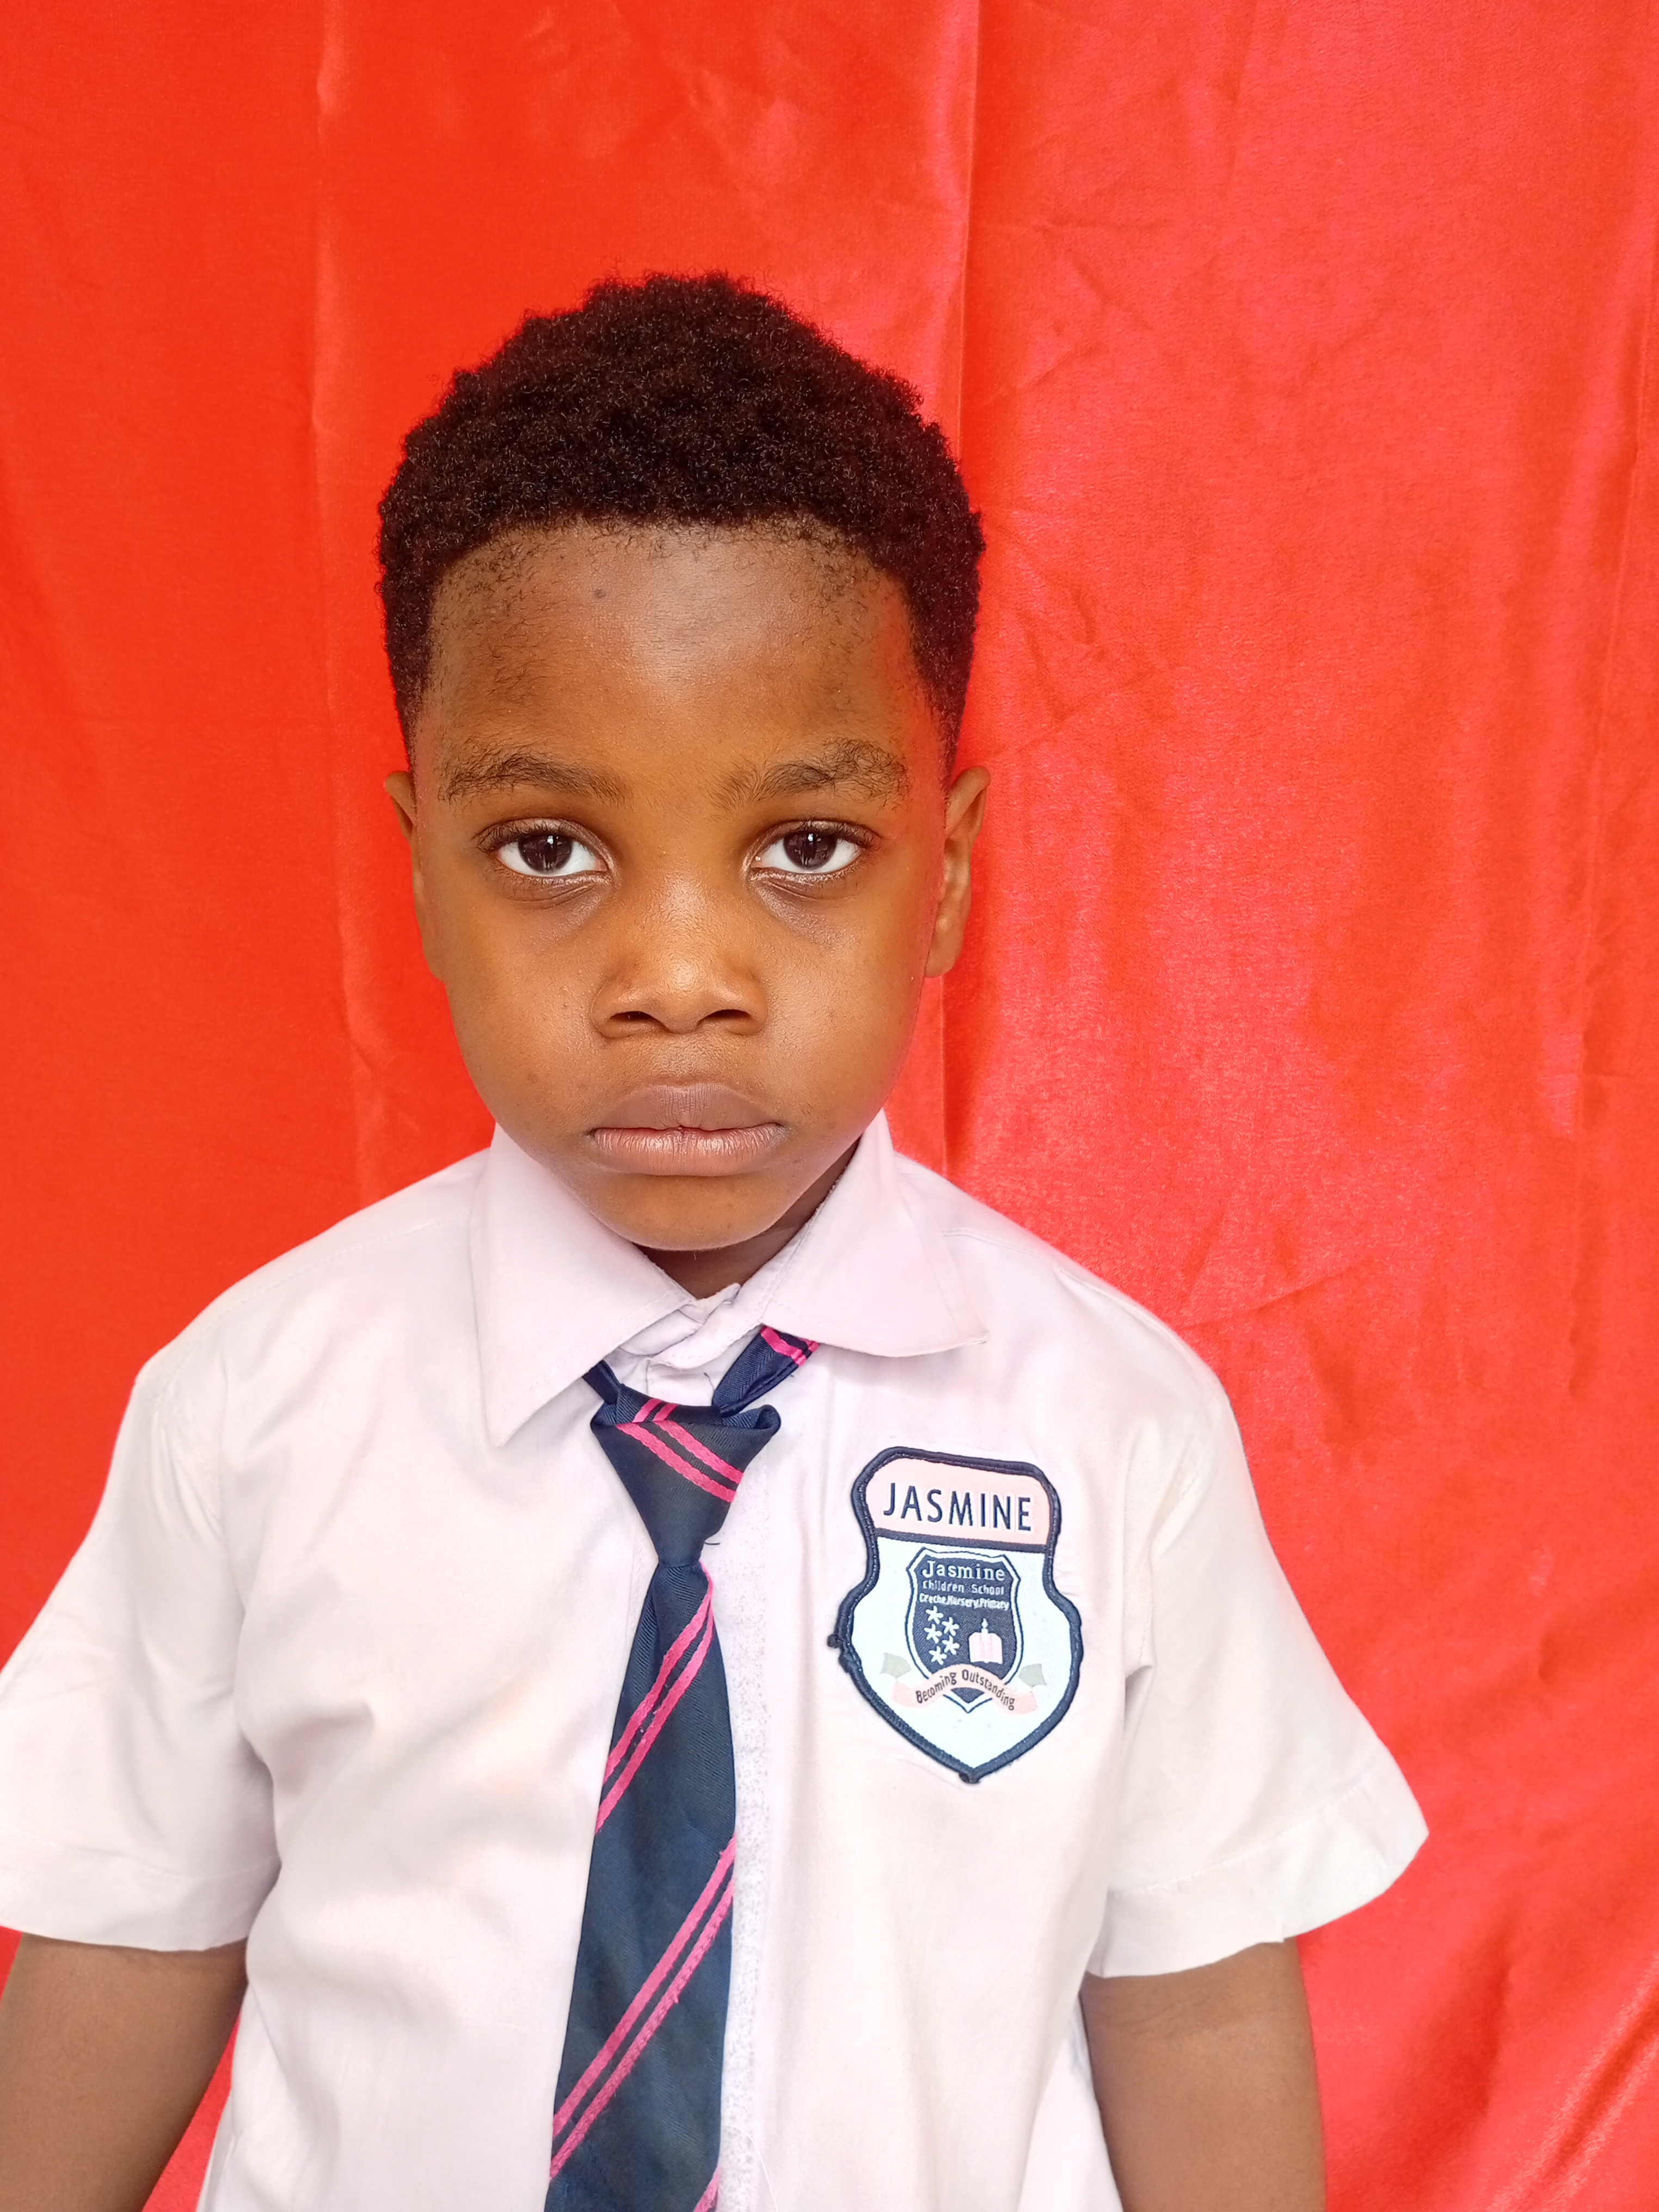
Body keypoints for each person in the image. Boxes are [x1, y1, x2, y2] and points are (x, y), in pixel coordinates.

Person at [0, 274, 1424, 2212]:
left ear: (948, 876)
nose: (678, 976)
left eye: (805, 849)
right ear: (419, 869)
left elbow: (1190, 2004)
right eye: (550, 849)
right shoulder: (257, 1404)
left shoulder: (1113, 1429)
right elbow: (130, 1939)